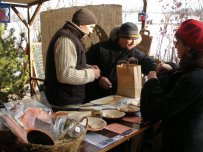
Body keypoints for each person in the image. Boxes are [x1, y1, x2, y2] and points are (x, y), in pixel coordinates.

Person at [140, 19, 203, 152]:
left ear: (189, 46)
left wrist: (152, 82)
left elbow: (163, 109)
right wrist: (173, 69)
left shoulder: (194, 79)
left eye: (177, 42)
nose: (175, 46)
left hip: (183, 144)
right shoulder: (196, 69)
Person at [44, 8, 101, 110]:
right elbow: (65, 74)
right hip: (64, 103)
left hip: (66, 100)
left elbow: (72, 64)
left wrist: (88, 67)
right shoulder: (66, 39)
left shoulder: (71, 36)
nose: (92, 31)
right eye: (91, 27)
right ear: (81, 24)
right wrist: (92, 74)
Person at [85, 22, 157, 102]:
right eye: (129, 39)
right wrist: (99, 78)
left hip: (121, 98)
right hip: (96, 96)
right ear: (120, 37)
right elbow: (84, 66)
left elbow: (147, 63)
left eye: (135, 39)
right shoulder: (100, 48)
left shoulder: (134, 52)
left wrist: (156, 68)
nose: (133, 42)